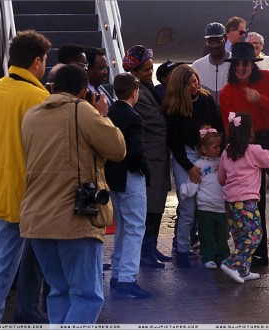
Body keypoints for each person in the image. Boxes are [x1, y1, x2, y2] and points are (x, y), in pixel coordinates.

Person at [19, 64, 125, 323]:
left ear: (52, 88)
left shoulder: (31, 115)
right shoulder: (83, 112)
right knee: (87, 295)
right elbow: (117, 150)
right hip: (75, 218)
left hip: (37, 219)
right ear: (83, 90)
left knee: (59, 291)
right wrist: (102, 115)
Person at [0, 30, 51, 324]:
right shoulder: (39, 97)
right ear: (37, 61)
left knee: (2, 262)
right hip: (31, 194)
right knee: (51, 264)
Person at [219, 42, 269, 267]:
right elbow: (228, 127)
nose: (241, 68)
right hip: (246, 144)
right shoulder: (227, 92)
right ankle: (259, 253)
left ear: (253, 65)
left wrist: (259, 100)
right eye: (237, 64)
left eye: (246, 63)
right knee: (255, 201)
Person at [218, 112, 269, 283]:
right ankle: (232, 263)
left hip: (230, 203)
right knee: (255, 235)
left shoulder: (227, 152)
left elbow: (221, 178)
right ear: (250, 132)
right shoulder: (253, 151)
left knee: (240, 236)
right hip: (246, 203)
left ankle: (243, 269)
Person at [163, 64, 223, 268]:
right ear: (181, 86)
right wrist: (188, 166)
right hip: (186, 155)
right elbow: (174, 141)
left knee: (208, 202)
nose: (194, 86)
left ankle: (207, 245)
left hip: (207, 153)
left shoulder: (206, 99)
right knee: (188, 204)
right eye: (189, 83)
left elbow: (218, 125)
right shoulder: (174, 106)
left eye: (195, 81)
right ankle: (181, 248)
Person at [122, 45, 172, 268]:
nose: (150, 73)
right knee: (150, 207)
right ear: (134, 72)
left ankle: (151, 249)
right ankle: (146, 252)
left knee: (158, 204)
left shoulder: (146, 87)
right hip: (151, 155)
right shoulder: (138, 93)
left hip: (158, 155)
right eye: (145, 70)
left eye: (151, 69)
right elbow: (156, 122)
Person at [105, 73, 151, 298]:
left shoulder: (109, 113)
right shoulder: (134, 117)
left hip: (113, 176)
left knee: (122, 226)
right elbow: (136, 151)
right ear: (135, 92)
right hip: (131, 175)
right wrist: (145, 170)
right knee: (135, 227)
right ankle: (127, 277)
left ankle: (116, 273)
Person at [180, 128, 230, 269]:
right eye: (215, 147)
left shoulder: (222, 162)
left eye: (219, 146)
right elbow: (194, 183)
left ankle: (223, 256)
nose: (218, 149)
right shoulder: (198, 166)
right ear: (203, 149)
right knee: (206, 235)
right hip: (205, 206)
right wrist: (185, 190)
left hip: (221, 206)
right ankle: (207, 257)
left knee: (222, 235)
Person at [192, 22, 231, 114]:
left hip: (230, 115)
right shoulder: (197, 65)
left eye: (218, 41)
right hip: (205, 117)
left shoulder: (235, 63)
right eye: (210, 42)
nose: (214, 45)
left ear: (225, 39)